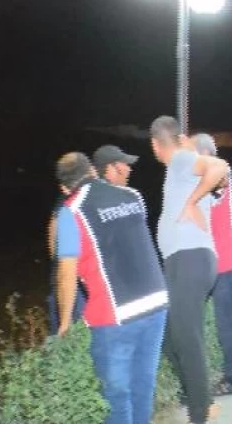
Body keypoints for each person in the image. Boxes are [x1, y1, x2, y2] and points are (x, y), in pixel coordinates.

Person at [53, 152, 168, 424]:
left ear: (64, 188)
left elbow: (66, 273)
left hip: (115, 314)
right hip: (156, 301)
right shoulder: (133, 196)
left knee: (115, 395)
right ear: (93, 171)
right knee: (143, 384)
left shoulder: (71, 211)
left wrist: (65, 322)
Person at [150, 116, 229, 424]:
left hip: (190, 259)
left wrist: (193, 201)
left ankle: (200, 414)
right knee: (171, 337)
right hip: (183, 261)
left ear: (155, 145)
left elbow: (220, 167)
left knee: (187, 338)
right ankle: (200, 400)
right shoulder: (179, 166)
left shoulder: (181, 160)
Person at [190, 133, 232, 396]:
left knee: (225, 321)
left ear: (204, 153)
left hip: (224, 261)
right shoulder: (227, 173)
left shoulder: (217, 174)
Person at [46, 193, 86, 336]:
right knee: (67, 334)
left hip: (80, 282)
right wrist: (62, 267)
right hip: (75, 283)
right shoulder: (72, 199)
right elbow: (53, 228)